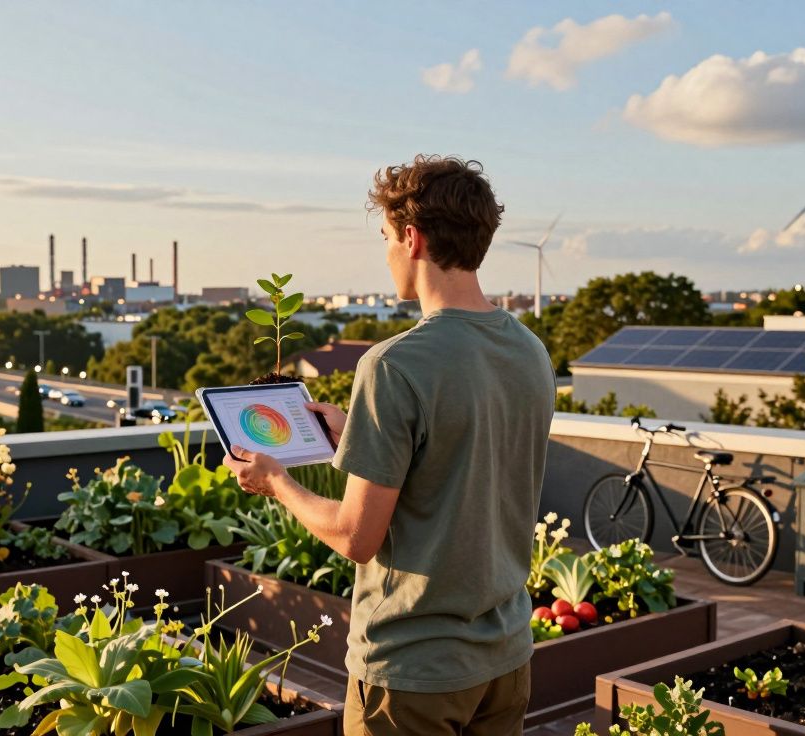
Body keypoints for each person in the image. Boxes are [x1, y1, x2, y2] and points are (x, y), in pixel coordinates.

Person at [223, 154, 556, 735]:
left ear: (412, 237)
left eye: (384, 238)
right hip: (505, 660)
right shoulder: (529, 349)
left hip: (412, 674)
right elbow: (461, 457)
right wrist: (359, 431)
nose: (385, 254)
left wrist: (276, 481)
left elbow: (356, 536)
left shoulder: (393, 366)